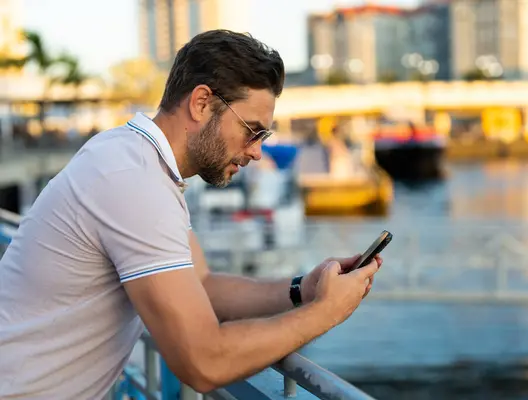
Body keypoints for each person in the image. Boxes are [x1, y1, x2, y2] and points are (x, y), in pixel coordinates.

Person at [0, 30, 382, 399]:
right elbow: (203, 362)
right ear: (201, 103)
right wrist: (326, 312)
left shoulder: (135, 159)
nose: (256, 153)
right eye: (252, 130)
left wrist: (304, 288)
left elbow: (202, 284)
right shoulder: (134, 179)